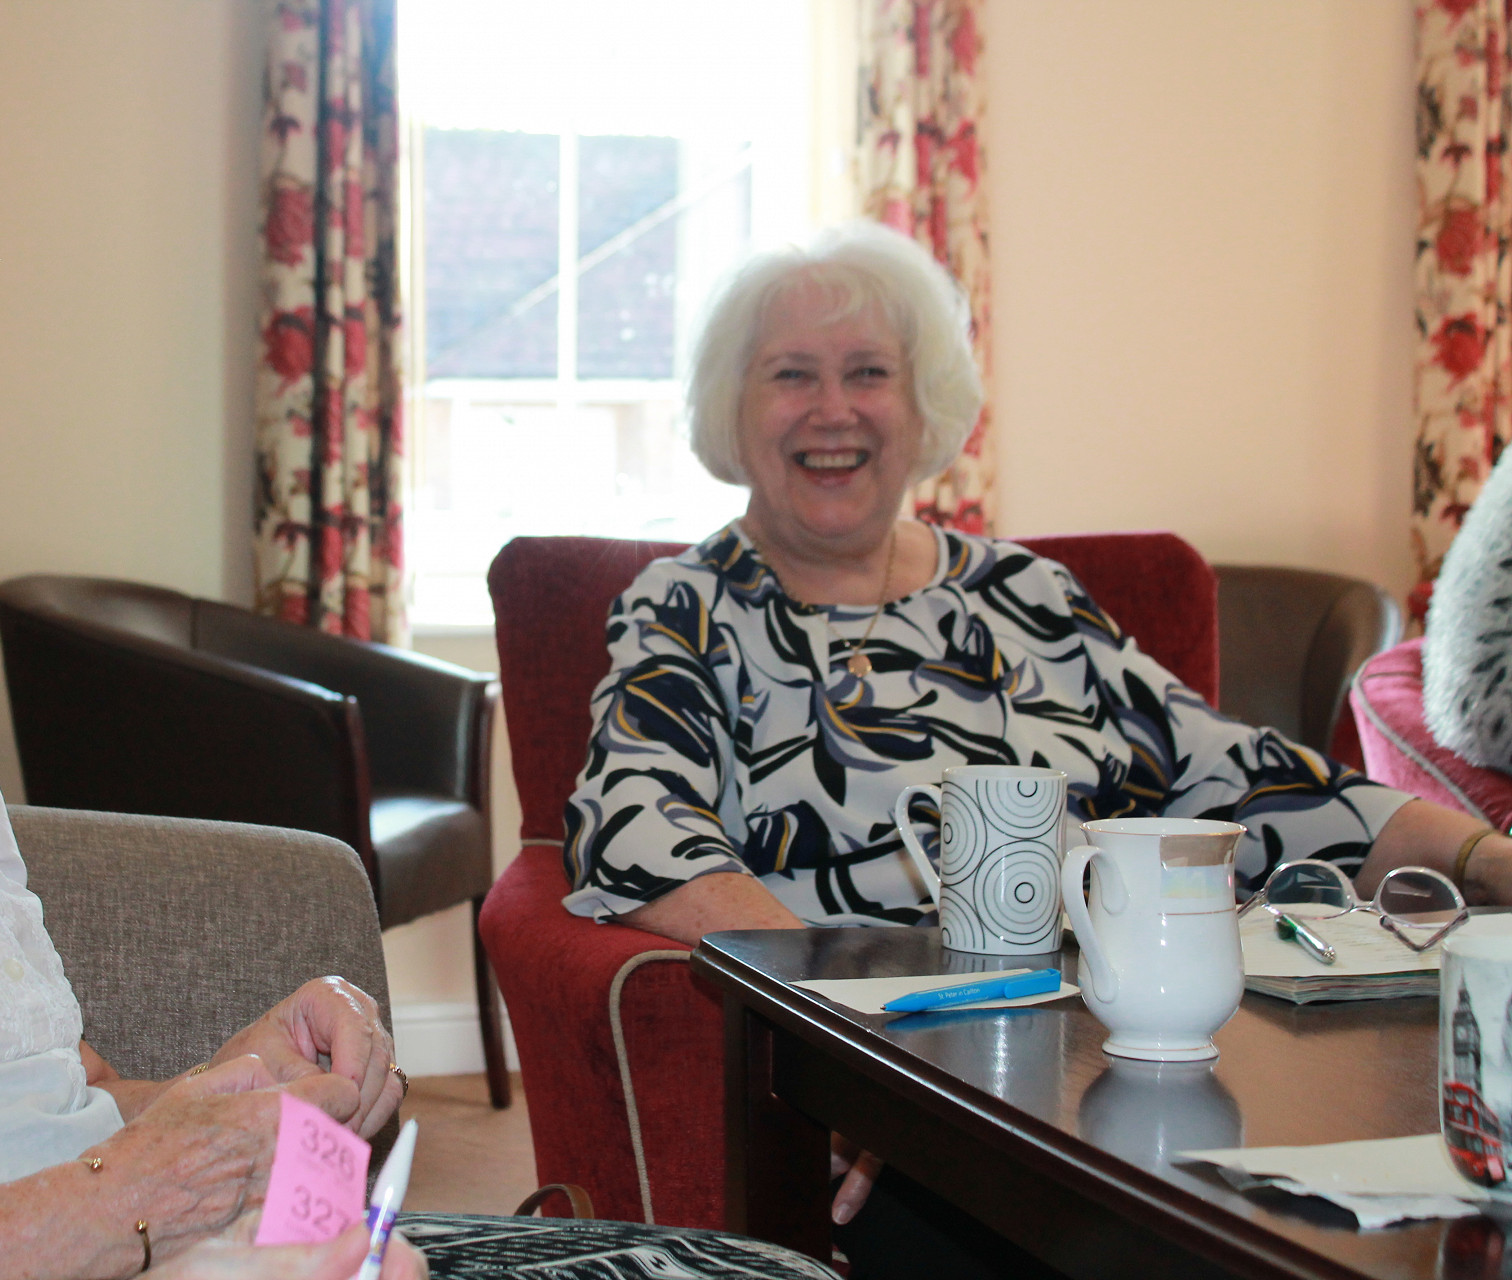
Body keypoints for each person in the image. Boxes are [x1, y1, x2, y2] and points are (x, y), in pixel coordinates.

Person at [0, 60, 836, 1280]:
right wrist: (141, 1193)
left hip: (169, 1249)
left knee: (753, 1268)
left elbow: (67, 1099)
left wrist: (230, 1091)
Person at [562, 220, 1512, 1270]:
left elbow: (1235, 770)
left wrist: (1485, 858)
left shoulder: (1026, 597)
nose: (834, 409)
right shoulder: (692, 607)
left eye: (869, 372)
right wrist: (849, 1045)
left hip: (1114, 1058)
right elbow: (637, 820)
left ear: (923, 404)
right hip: (903, 1089)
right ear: (732, 413)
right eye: (793, 374)